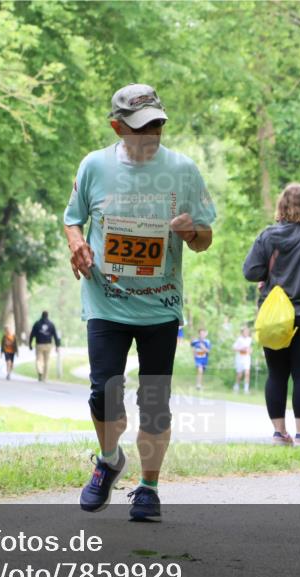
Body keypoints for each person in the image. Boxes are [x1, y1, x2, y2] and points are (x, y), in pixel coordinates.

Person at [64, 83, 216, 521]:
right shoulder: (94, 166)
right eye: (140, 127)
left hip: (160, 303)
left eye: (157, 124)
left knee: (154, 400)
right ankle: (109, 459)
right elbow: (73, 220)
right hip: (105, 300)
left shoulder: (183, 171)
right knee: (103, 394)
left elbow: (205, 238)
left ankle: (148, 488)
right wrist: (77, 244)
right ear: (117, 126)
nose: (151, 134)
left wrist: (193, 232)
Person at [244, 182, 300, 446]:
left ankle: (279, 433)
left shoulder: (268, 237)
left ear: (281, 206)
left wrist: (267, 276)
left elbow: (250, 271)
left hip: (274, 317)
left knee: (276, 373)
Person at [29, 311, 61, 382]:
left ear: (41, 315)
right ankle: (45, 377)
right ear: (47, 315)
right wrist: (57, 346)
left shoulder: (37, 324)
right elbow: (55, 336)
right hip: (48, 345)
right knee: (46, 361)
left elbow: (32, 334)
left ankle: (40, 371)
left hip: (39, 344)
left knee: (38, 360)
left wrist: (30, 344)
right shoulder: (51, 324)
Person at [232, 325, 253, 393]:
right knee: (240, 374)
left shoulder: (249, 339)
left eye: (247, 332)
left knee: (247, 372)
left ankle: (246, 389)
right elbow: (234, 348)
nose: (246, 333)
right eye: (245, 331)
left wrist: (250, 350)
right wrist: (241, 349)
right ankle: (236, 385)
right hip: (239, 358)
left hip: (247, 358)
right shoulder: (239, 339)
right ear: (242, 332)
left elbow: (250, 348)